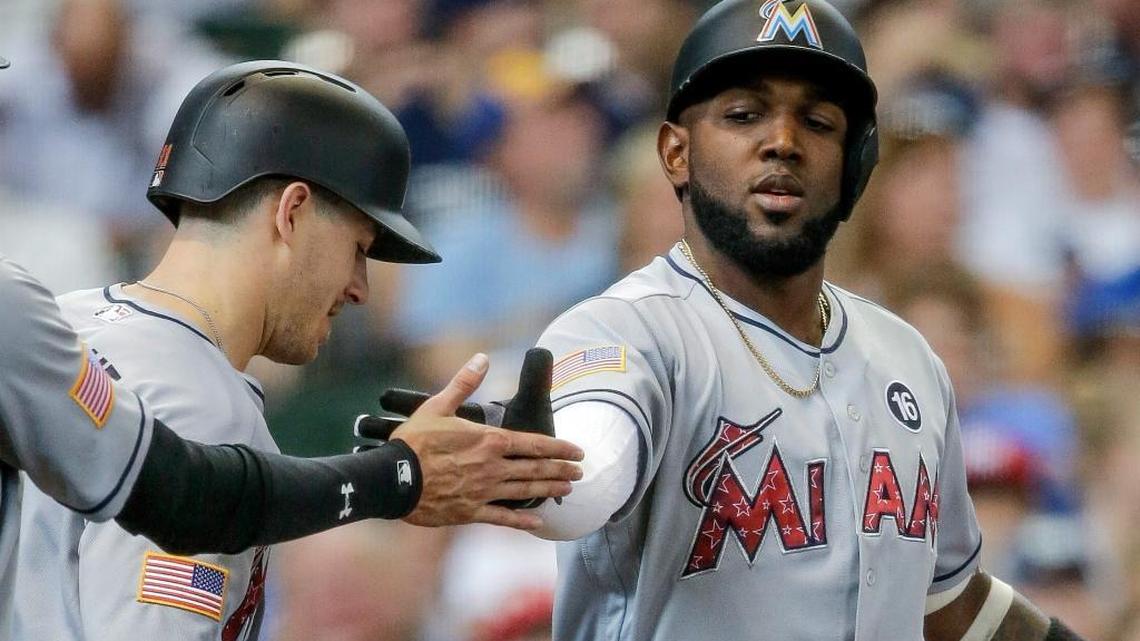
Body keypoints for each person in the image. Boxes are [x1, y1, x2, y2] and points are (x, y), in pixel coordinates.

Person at [395, 1, 1087, 639]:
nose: (782, 140)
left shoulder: (907, 358)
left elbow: (945, 598)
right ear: (676, 152)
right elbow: (590, 471)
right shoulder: (625, 331)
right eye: (743, 115)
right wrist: (546, 471)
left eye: (817, 121)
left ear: (854, 165)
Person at [5, 59, 581, 641]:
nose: (360, 286)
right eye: (359, 245)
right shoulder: (200, 402)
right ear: (293, 211)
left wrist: (400, 475)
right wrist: (402, 475)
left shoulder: (58, 318)